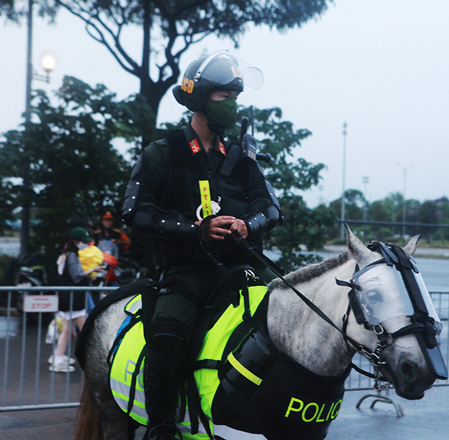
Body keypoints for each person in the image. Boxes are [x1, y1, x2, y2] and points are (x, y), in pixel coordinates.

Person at [121, 51, 281, 440]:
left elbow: (271, 207)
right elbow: (135, 212)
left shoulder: (244, 157)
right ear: (198, 99)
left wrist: (249, 223)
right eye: (223, 97)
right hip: (187, 271)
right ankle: (160, 425)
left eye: (235, 97)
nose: (233, 105)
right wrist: (195, 230)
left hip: (242, 267)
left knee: (291, 314)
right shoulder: (163, 152)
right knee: (166, 335)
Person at [49, 227, 104, 372]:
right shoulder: (72, 255)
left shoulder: (69, 254)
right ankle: (96, 361)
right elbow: (77, 275)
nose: (84, 244)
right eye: (81, 241)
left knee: (67, 330)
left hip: (71, 298)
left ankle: (58, 358)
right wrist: (93, 270)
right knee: (86, 331)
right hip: (75, 298)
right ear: (75, 240)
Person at [94, 211, 131, 285]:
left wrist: (120, 242)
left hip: (114, 261)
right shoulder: (96, 234)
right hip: (100, 261)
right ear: (102, 221)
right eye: (106, 220)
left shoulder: (118, 233)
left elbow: (128, 243)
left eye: (110, 221)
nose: (108, 223)